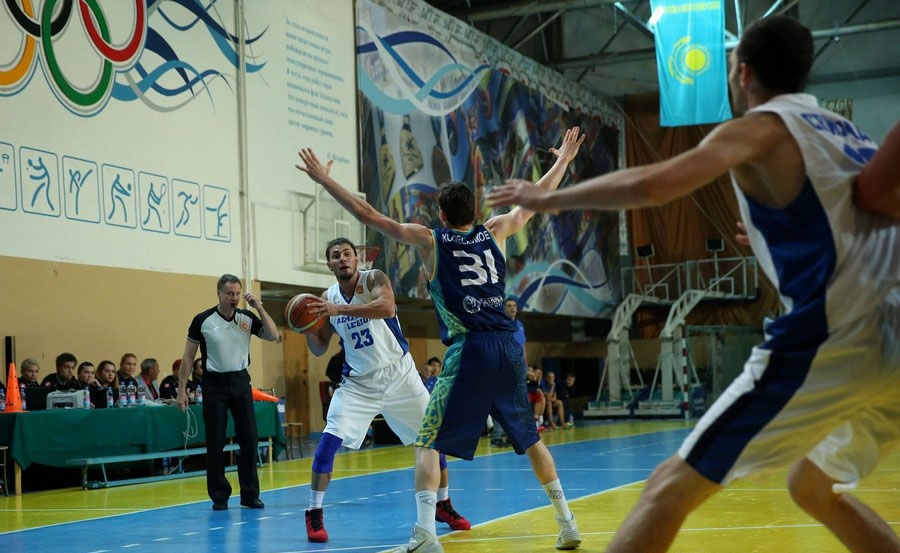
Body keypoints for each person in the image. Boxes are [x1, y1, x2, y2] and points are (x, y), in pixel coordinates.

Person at [487, 16, 900, 553]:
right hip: (893, 337)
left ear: (743, 73)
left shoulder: (762, 127)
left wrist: (548, 198)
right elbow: (859, 220)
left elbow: (655, 185)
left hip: (835, 335)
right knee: (812, 486)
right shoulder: (847, 134)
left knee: (667, 489)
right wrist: (778, 238)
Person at [296, 125, 585, 553]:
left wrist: (324, 180)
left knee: (428, 440)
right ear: (474, 210)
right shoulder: (496, 230)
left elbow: (370, 216)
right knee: (532, 440)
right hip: (509, 348)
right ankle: (567, 523)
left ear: (442, 216)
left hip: (470, 349)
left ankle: (426, 533)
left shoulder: (431, 240)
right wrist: (562, 161)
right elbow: (536, 198)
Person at [300, 238, 470, 543]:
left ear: (357, 259)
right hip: (359, 384)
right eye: (336, 256)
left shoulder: (373, 279)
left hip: (400, 376)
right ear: (329, 264)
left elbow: (387, 307)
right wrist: (305, 328)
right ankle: (314, 512)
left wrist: (338, 309)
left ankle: (443, 504)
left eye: (347, 254)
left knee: (433, 440)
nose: (343, 259)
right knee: (328, 442)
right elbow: (319, 347)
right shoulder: (327, 298)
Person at [175, 274, 279, 511]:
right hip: (214, 385)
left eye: (237, 293)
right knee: (215, 441)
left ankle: (250, 494)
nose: (234, 298)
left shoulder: (246, 318)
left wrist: (259, 306)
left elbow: (273, 335)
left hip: (241, 382)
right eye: (230, 293)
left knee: (249, 439)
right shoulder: (202, 320)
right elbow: (188, 356)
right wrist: (182, 390)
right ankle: (219, 496)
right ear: (219, 294)